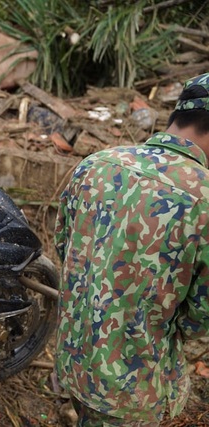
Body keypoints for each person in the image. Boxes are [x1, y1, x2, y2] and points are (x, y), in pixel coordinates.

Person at [54, 73, 209, 426]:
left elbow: (64, 248)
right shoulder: (203, 199)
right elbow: (200, 319)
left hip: (76, 363)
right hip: (134, 388)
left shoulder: (94, 165)